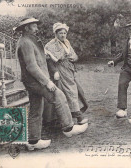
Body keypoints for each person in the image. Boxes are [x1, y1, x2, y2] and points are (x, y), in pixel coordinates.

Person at [15, 18, 88, 150]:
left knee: (36, 109)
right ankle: (68, 128)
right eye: (34, 26)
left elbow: (37, 61)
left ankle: (33, 141)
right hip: (36, 81)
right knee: (59, 96)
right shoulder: (25, 42)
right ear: (26, 28)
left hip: (32, 81)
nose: (37, 28)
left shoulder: (29, 40)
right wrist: (47, 81)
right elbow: (31, 66)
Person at [44, 22, 88, 125]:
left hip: (69, 71)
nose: (63, 35)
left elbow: (74, 55)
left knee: (74, 92)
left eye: (64, 33)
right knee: (68, 92)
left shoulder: (67, 43)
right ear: (56, 34)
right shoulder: (51, 45)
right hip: (60, 71)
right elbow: (49, 60)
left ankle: (69, 116)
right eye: (60, 33)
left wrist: (74, 58)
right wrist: (54, 71)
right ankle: (78, 117)